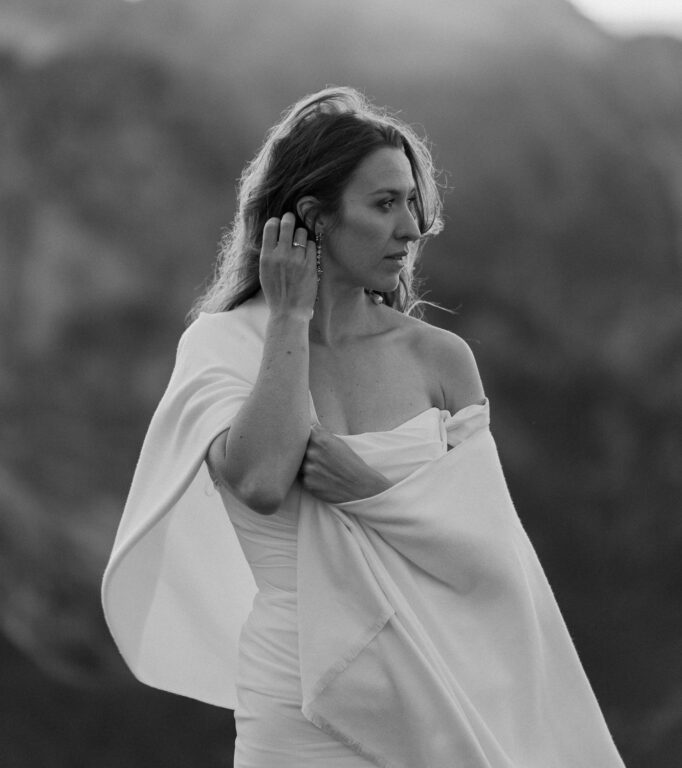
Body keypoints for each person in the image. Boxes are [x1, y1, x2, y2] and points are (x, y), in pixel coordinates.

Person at [102, 87, 626, 767]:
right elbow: (261, 479)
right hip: (291, 705)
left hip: (434, 686)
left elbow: (496, 561)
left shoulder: (441, 360)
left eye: (412, 201)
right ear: (313, 221)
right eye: (384, 204)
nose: (411, 228)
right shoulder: (221, 346)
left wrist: (370, 491)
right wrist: (289, 318)